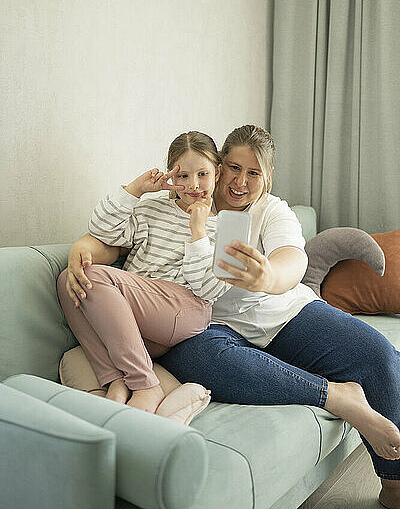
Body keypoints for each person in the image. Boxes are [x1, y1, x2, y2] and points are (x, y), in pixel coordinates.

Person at [63, 125, 400, 509]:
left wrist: (268, 277)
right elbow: (114, 244)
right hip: (206, 328)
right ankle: (336, 395)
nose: (240, 181)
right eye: (233, 168)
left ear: (267, 178)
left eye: (253, 173)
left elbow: (292, 257)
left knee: (377, 354)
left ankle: (395, 482)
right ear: (219, 166)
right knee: (203, 360)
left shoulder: (271, 211)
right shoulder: (183, 207)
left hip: (284, 313)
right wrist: (82, 247)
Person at [57, 131, 231, 414]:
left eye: (202, 174)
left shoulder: (226, 227)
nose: (193, 185)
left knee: (95, 276)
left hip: (185, 308)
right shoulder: (151, 208)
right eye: (183, 176)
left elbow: (210, 289)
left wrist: (198, 232)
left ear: (217, 172)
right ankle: (115, 380)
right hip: (139, 314)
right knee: (70, 278)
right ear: (171, 176)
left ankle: (145, 385)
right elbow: (103, 232)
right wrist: (135, 190)